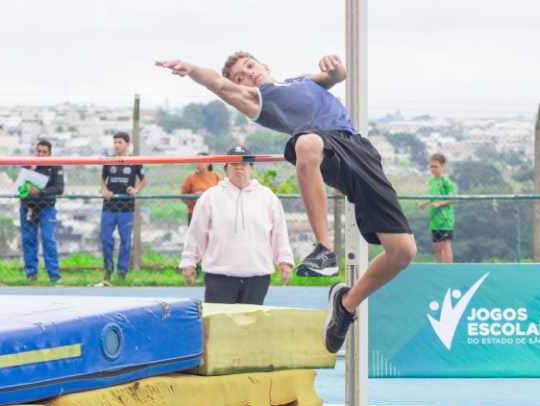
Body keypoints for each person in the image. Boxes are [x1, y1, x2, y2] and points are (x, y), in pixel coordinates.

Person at [157, 53, 416, 353]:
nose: (247, 75)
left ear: (264, 65)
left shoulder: (300, 81)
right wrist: (191, 69)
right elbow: (218, 84)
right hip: (323, 146)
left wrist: (336, 67)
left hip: (359, 149)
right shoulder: (257, 99)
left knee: (402, 251)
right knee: (306, 143)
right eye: (240, 77)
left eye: (250, 67)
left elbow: (336, 77)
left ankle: (346, 304)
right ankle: (324, 249)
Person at [179, 145, 293, 305]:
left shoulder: (268, 197)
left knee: (251, 321)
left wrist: (284, 261)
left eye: (244, 163)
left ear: (252, 168)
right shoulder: (210, 197)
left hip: (258, 275)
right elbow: (196, 233)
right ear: (226, 168)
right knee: (218, 321)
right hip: (219, 275)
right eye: (234, 164)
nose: (239, 167)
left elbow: (279, 233)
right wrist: (189, 262)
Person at [100, 132, 146, 283]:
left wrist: (135, 190)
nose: (116, 145)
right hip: (109, 206)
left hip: (126, 207)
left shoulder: (135, 161)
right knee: (106, 239)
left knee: (125, 241)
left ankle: (122, 272)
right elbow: (102, 179)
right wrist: (105, 190)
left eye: (120, 142)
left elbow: (143, 180)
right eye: (115, 142)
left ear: (127, 144)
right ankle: (108, 269)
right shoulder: (109, 160)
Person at [20, 139, 64, 282]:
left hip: (47, 208)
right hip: (28, 207)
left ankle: (54, 275)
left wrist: (40, 192)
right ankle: (31, 274)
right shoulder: (28, 165)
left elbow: (59, 188)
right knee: (28, 240)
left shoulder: (56, 166)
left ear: (50, 154)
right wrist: (31, 170)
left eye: (44, 152)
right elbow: (20, 188)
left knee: (48, 239)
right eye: (39, 151)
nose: (41, 154)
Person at [419, 153, 456, 263]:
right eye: (431, 166)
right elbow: (433, 198)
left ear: (442, 166)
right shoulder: (432, 181)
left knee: (445, 245)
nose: (433, 169)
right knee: (437, 247)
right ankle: (439, 268)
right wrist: (425, 203)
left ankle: (448, 269)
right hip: (435, 219)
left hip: (445, 219)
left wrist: (440, 204)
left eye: (435, 166)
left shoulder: (446, 182)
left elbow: (453, 199)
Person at [180, 152, 221, 224]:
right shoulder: (190, 177)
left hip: (212, 213)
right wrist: (194, 198)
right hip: (195, 213)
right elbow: (183, 196)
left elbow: (221, 193)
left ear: (208, 163)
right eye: (196, 161)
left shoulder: (216, 176)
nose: (197, 163)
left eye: (200, 161)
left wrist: (207, 195)